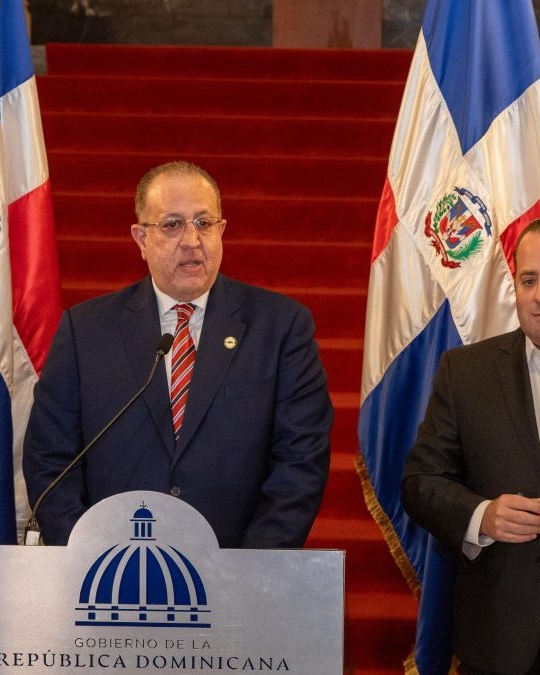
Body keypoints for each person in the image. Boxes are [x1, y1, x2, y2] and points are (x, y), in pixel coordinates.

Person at [24, 160, 332, 548]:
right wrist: (89, 556)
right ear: (141, 239)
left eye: (204, 223)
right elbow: (50, 460)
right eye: (172, 224)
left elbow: (301, 461)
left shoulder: (281, 327)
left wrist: (251, 568)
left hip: (236, 566)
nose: (192, 240)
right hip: (110, 566)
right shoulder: (85, 330)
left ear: (222, 230)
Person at [401, 214, 540, 673]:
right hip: (496, 636)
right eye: (528, 280)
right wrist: (482, 516)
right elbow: (421, 482)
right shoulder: (465, 372)